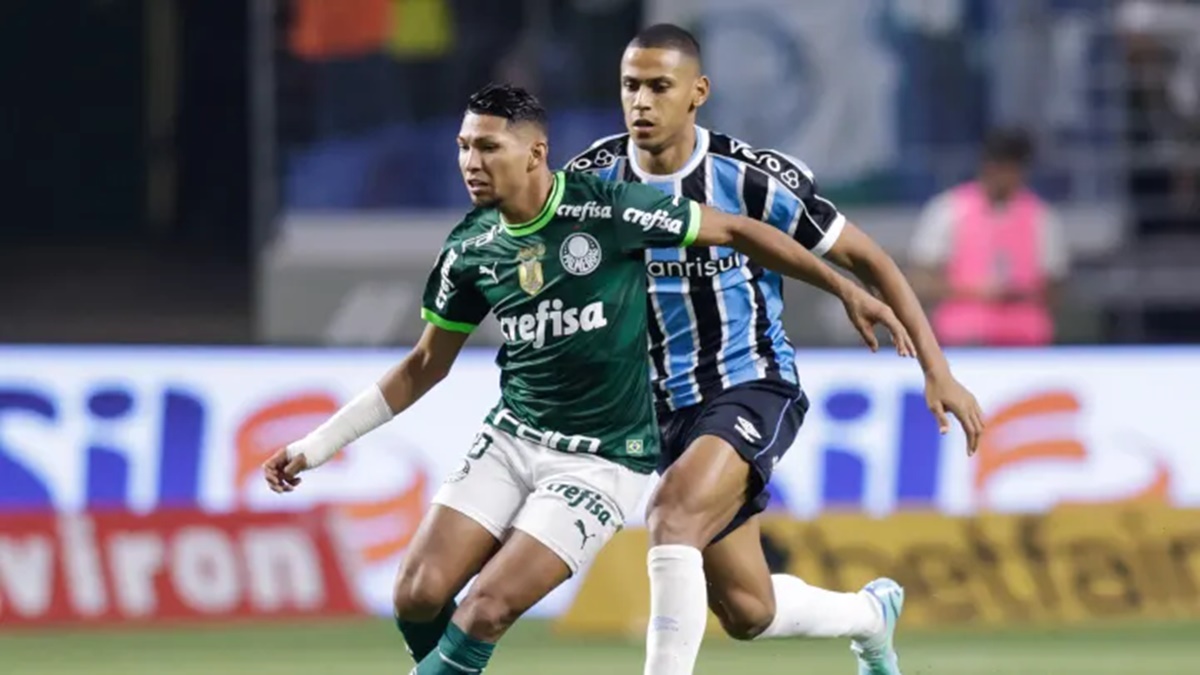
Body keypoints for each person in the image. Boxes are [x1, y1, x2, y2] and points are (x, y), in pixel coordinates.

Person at [261, 83, 913, 675]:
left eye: (487, 147)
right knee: (417, 594)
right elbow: (424, 365)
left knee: (486, 606)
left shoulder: (610, 210)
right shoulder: (470, 248)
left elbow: (738, 229)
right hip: (512, 439)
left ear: (535, 152)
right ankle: (869, 618)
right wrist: (314, 446)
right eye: (463, 146)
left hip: (601, 458)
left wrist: (841, 287)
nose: (470, 162)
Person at [565, 24, 985, 675]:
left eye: (658, 87)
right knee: (747, 610)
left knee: (672, 515)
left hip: (750, 384)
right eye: (630, 86)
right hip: (659, 410)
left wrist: (940, 371)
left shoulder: (749, 178)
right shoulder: (592, 179)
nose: (641, 102)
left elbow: (868, 257)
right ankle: (872, 618)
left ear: (697, 92)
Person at [909, 129, 1070, 347]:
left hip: (1026, 344)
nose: (1004, 175)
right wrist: (975, 292)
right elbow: (921, 282)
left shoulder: (1041, 217)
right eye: (999, 165)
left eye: (1012, 167)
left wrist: (1021, 295)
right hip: (962, 342)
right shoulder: (949, 210)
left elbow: (1055, 288)